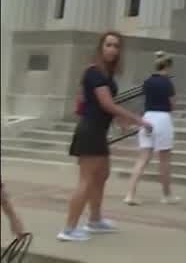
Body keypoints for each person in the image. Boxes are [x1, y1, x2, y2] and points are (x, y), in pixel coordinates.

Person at [60, 31, 153, 242]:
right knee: (86, 180)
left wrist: (120, 120)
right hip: (90, 131)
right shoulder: (94, 72)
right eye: (109, 45)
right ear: (100, 47)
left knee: (102, 175)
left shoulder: (105, 74)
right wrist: (138, 119)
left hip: (98, 131)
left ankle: (94, 220)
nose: (112, 49)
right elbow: (107, 104)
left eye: (116, 46)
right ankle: (68, 229)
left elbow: (105, 107)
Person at [123, 51, 179, 206]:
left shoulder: (147, 81)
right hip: (162, 118)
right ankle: (166, 195)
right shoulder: (167, 82)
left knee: (142, 158)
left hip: (147, 117)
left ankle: (130, 193)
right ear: (168, 66)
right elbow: (173, 103)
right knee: (164, 159)